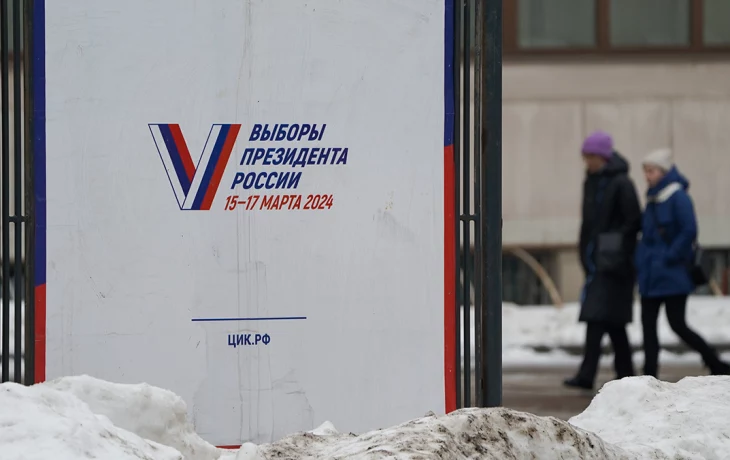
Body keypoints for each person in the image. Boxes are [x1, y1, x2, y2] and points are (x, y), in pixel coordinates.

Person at [636, 148, 730, 378]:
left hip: (672, 273)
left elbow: (689, 230)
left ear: (663, 171)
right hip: (651, 274)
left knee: (677, 324)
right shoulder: (652, 199)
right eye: (646, 171)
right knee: (647, 325)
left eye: (651, 171)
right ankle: (649, 373)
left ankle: (714, 361)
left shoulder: (678, 197)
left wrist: (670, 256)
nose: (647, 176)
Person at [564, 131, 642, 390]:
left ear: (603, 157)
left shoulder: (622, 183)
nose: (587, 162)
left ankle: (595, 374)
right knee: (607, 320)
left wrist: (612, 248)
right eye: (585, 157)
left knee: (602, 319)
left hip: (616, 264)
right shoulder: (591, 182)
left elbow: (633, 221)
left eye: (591, 157)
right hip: (597, 260)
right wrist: (585, 250)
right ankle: (623, 373)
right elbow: (588, 222)